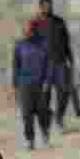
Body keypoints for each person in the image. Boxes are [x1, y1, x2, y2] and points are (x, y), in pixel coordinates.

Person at [37, 0, 76, 133]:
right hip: (44, 66)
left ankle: (59, 117)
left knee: (64, 91)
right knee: (44, 94)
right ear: (40, 7)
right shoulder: (36, 24)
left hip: (60, 63)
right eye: (46, 6)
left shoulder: (59, 22)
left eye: (50, 5)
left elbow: (66, 42)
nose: (49, 8)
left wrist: (70, 59)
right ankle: (47, 120)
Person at [13, 19, 51, 150]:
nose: (28, 32)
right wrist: (15, 86)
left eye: (31, 29)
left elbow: (48, 65)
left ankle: (45, 133)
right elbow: (16, 67)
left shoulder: (43, 44)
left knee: (42, 112)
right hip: (24, 85)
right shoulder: (19, 46)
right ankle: (30, 140)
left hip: (40, 84)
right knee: (27, 114)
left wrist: (47, 81)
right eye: (26, 29)